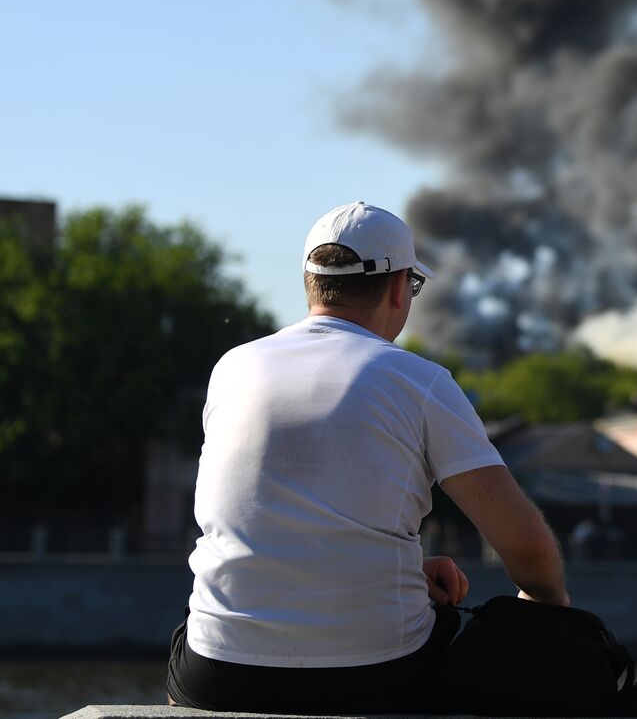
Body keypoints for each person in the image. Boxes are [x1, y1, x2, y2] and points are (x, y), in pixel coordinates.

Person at [166, 201, 569, 714]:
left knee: (200, 620)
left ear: (310, 284)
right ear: (400, 288)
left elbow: (262, 518)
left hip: (219, 675)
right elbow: (529, 551)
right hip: (376, 676)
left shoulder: (233, 368)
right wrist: (550, 609)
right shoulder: (419, 381)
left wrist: (397, 567)